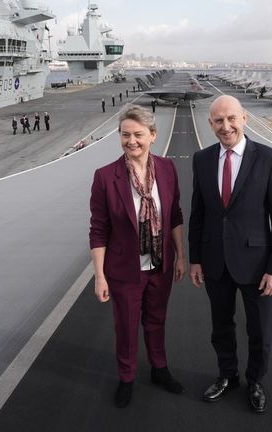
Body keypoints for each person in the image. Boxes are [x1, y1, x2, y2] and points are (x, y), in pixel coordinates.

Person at [189, 95, 272, 414]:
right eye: (219, 120)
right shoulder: (201, 159)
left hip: (258, 265)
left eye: (231, 118)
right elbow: (198, 213)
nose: (226, 126)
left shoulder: (269, 158)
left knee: (260, 330)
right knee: (221, 326)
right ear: (210, 124)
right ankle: (227, 375)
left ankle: (255, 380)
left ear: (244, 118)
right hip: (215, 261)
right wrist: (195, 259)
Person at [89, 103, 186, 409]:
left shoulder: (167, 169)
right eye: (125, 135)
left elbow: (174, 215)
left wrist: (180, 256)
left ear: (152, 135)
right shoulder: (105, 177)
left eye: (138, 134)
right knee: (127, 326)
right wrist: (100, 276)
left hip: (160, 264)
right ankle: (127, 377)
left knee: (157, 320)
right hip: (125, 270)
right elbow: (98, 230)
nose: (131, 141)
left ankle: (159, 368)